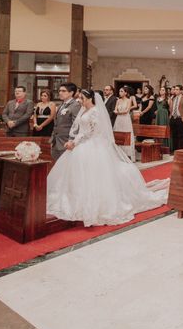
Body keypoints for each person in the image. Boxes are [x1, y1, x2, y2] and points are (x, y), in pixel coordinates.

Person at [47, 89, 169, 227]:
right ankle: (75, 200)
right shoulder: (83, 111)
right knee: (78, 175)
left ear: (89, 98)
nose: (79, 100)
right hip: (82, 144)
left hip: (92, 146)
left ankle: (96, 204)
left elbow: (90, 133)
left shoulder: (95, 112)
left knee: (95, 177)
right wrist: (74, 140)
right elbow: (80, 130)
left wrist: (74, 142)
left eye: (81, 98)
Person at [51, 82, 81, 161]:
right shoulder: (62, 105)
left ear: (71, 93)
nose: (60, 93)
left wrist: (71, 141)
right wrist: (52, 139)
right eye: (59, 91)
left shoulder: (75, 105)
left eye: (63, 91)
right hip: (56, 142)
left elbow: (76, 125)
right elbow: (56, 123)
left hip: (66, 142)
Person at [113, 87, 135, 162]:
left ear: (126, 93)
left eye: (121, 91)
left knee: (126, 134)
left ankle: (127, 154)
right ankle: (118, 154)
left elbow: (126, 111)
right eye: (119, 91)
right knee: (118, 134)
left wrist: (118, 112)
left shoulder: (129, 100)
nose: (120, 92)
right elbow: (115, 109)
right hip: (119, 119)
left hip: (125, 119)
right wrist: (116, 111)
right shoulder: (118, 100)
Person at [168, 84, 183, 153]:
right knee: (173, 135)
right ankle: (174, 150)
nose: (175, 91)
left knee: (180, 135)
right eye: (175, 89)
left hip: (180, 118)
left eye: (177, 89)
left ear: (180, 91)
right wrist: (170, 116)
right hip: (173, 118)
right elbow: (171, 109)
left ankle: (180, 150)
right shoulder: (173, 98)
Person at [155, 86, 171, 150]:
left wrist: (169, 117)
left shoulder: (168, 99)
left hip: (164, 115)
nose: (161, 91)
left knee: (164, 128)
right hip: (158, 115)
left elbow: (170, 109)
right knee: (158, 128)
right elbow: (157, 107)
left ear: (165, 91)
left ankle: (165, 145)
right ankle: (158, 144)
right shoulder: (157, 98)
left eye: (163, 90)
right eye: (161, 90)